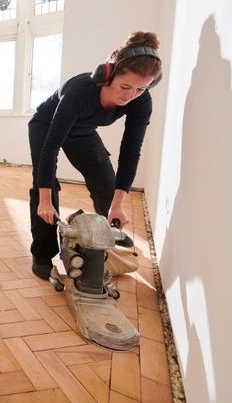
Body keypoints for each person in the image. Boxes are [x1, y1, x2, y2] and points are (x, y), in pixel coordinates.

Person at [28, 31, 163, 280]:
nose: (130, 96)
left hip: (82, 130)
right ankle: (42, 253)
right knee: (45, 187)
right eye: (125, 87)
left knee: (106, 183)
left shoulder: (141, 102)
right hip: (47, 126)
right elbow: (50, 148)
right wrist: (45, 200)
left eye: (141, 89)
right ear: (108, 75)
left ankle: (107, 235)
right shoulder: (80, 90)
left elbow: (131, 151)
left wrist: (118, 204)